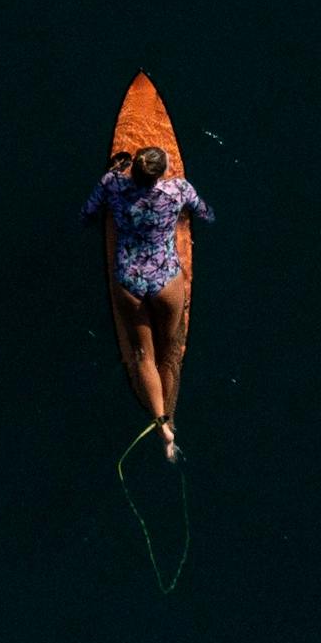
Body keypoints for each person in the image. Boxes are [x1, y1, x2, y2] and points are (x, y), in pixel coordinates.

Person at [80, 142, 213, 459]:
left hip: (129, 282)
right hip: (165, 279)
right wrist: (183, 220)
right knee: (170, 349)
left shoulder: (112, 183)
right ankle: (172, 416)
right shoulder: (177, 189)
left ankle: (161, 426)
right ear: (161, 174)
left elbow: (87, 215)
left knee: (143, 355)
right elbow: (206, 214)